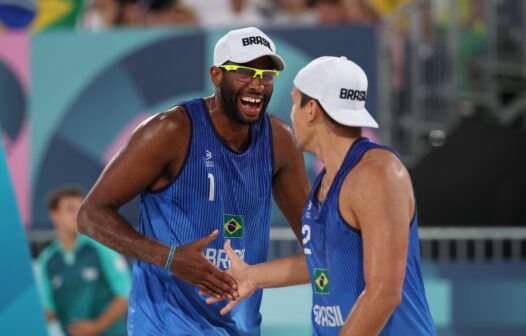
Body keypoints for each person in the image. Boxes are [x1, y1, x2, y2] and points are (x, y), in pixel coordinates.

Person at [77, 26, 310, 335]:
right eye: (244, 72)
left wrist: (258, 275)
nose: (257, 84)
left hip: (238, 326)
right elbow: (90, 215)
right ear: (216, 75)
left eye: (266, 75)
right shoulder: (170, 130)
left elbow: (317, 243)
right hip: (165, 325)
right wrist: (169, 257)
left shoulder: (280, 140)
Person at [208, 56, 437, 335]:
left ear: (312, 109)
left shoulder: (378, 174)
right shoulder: (327, 181)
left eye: (294, 103)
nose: (291, 115)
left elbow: (384, 293)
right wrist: (252, 276)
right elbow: (326, 259)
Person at [37, 187, 131, 336]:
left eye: (80, 209)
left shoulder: (100, 247)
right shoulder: (47, 260)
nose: (76, 215)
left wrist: (96, 326)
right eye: (70, 209)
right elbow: (49, 310)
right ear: (54, 215)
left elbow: (125, 295)